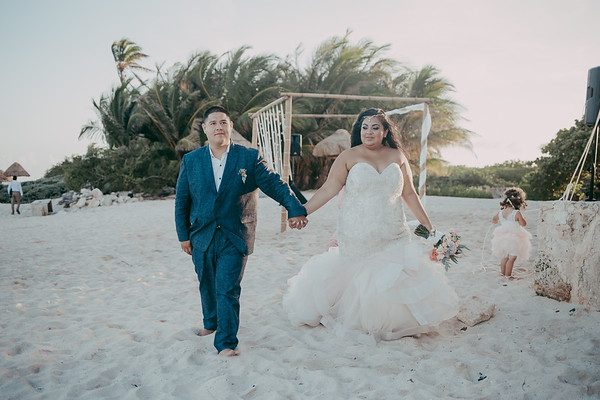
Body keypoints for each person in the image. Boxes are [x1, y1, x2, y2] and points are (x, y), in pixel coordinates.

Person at [283, 108, 458, 342]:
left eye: (375, 127)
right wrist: (302, 211)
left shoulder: (397, 156)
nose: (369, 131)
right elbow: (328, 189)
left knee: (395, 275)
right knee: (356, 277)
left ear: (385, 131)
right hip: (357, 232)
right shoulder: (348, 156)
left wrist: (430, 227)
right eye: (364, 127)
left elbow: (409, 193)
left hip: (393, 231)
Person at [175, 106, 308, 356]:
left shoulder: (249, 157)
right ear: (205, 129)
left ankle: (225, 342)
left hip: (235, 234)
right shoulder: (191, 161)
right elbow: (182, 200)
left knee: (227, 288)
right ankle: (211, 323)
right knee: (207, 282)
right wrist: (183, 235)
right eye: (213, 123)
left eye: (223, 122)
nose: (218, 127)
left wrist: (294, 207)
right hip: (201, 235)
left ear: (231, 126)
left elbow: (275, 185)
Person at [490, 187, 531, 280]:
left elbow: (494, 220)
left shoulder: (501, 212)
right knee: (512, 258)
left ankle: (503, 273)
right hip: (514, 238)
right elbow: (523, 224)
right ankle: (508, 275)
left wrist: (497, 221)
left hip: (502, 237)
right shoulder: (516, 213)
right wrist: (523, 219)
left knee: (505, 256)